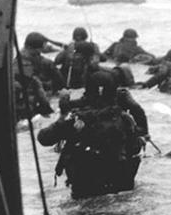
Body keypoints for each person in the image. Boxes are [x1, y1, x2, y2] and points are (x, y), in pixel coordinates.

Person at [38, 71, 143, 199]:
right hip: (120, 188)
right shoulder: (125, 120)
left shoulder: (75, 121)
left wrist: (63, 114)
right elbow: (136, 148)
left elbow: (43, 138)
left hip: (86, 191)